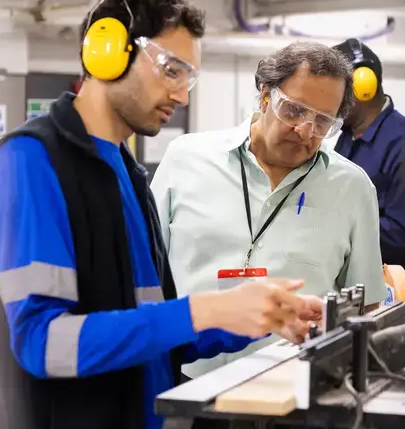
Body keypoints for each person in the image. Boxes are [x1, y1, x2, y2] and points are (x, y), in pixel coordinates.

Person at [0, 0, 319, 429]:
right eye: (171, 70)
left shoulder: (128, 174)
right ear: (107, 51)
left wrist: (252, 314)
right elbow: (43, 343)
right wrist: (204, 310)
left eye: (189, 77)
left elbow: (155, 333)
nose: (183, 95)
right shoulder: (31, 161)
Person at [151, 41, 387, 383]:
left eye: (323, 122)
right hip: (186, 379)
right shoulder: (185, 160)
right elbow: (146, 275)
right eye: (294, 110)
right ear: (265, 96)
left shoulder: (352, 188)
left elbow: (365, 306)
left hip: (295, 389)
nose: (305, 130)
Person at [332, 38, 405, 312]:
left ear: (362, 87)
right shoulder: (347, 138)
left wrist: (336, 230)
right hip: (363, 290)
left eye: (333, 91)